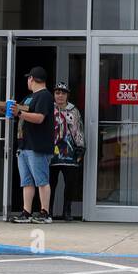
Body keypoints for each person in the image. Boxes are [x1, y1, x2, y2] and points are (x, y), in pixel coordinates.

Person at [11, 66, 55, 224]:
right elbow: (19, 110)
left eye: (28, 78)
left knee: (41, 180)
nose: (27, 81)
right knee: (26, 181)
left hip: (37, 146)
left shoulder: (45, 96)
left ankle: (45, 213)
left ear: (32, 78)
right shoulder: (30, 97)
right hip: (24, 145)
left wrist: (20, 113)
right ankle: (26, 212)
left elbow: (39, 118)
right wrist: (6, 110)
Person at [48, 82, 85, 221]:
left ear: (67, 95)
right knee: (50, 183)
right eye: (57, 93)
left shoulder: (73, 110)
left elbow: (78, 129)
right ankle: (48, 210)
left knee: (70, 184)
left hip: (69, 152)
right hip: (51, 152)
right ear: (54, 94)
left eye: (63, 93)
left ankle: (67, 211)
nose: (60, 95)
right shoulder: (49, 108)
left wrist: (80, 147)